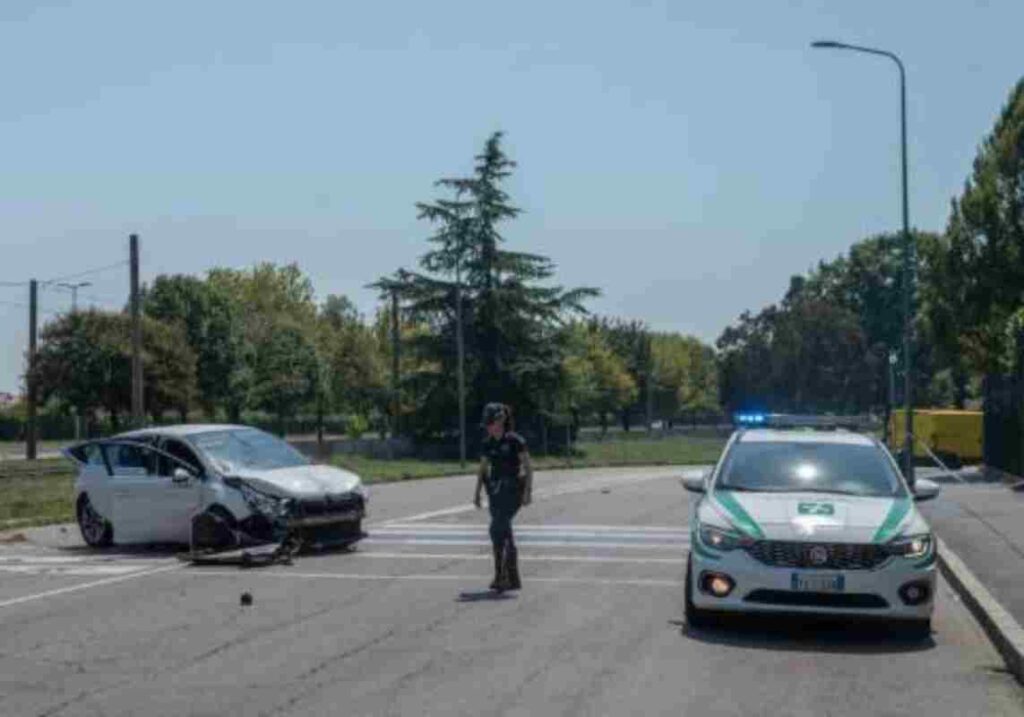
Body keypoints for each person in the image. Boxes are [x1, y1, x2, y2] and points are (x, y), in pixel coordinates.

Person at [474, 402, 533, 592]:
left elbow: (528, 467)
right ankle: (509, 577)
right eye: (488, 424)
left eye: (492, 423)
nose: (489, 427)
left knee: (497, 527)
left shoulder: (515, 440)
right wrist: (477, 492)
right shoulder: (487, 443)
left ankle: (503, 575)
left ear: (501, 420)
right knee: (501, 531)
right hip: (496, 491)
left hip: (514, 489)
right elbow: (482, 469)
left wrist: (527, 492)